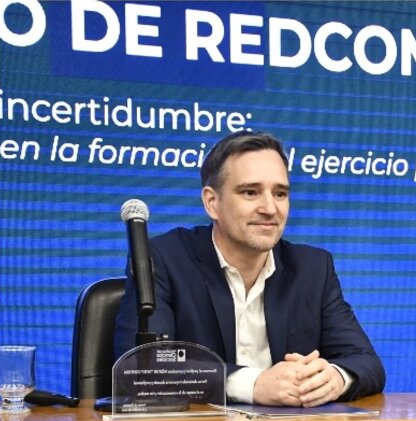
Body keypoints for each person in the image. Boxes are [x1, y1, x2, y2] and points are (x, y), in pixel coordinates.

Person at [114, 131, 385, 406]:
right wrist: (253, 384)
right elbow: (143, 365)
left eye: (280, 193)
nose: (269, 208)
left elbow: (366, 362)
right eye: (250, 192)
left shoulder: (313, 268)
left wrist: (334, 379)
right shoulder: (163, 258)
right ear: (212, 202)